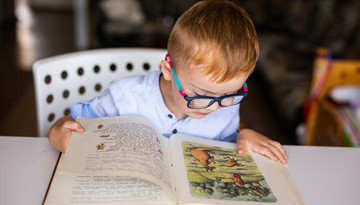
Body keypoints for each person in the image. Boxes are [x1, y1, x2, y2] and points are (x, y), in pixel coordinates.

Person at [48, 0, 287, 163]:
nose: (214, 107)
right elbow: (75, 123)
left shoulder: (227, 106)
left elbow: (222, 145)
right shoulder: (125, 97)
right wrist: (58, 133)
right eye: (201, 95)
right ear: (167, 70)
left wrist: (241, 137)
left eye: (230, 94)